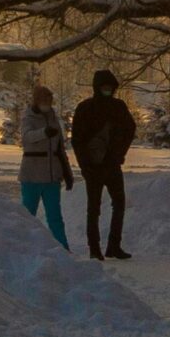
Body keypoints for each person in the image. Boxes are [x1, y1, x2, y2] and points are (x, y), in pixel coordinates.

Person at [70, 68, 138, 260]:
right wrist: (87, 164)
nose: (108, 90)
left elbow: (130, 129)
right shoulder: (105, 107)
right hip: (98, 166)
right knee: (96, 208)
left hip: (106, 165)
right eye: (105, 87)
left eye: (110, 87)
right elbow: (77, 140)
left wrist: (118, 154)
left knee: (114, 205)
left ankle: (109, 246)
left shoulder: (94, 107)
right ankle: (97, 248)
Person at [15, 84, 73, 249]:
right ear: (36, 100)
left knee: (55, 216)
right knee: (27, 215)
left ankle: (62, 248)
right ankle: (23, 246)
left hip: (52, 176)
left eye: (49, 99)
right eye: (43, 99)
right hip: (31, 175)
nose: (47, 102)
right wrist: (43, 133)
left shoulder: (53, 118)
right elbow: (26, 138)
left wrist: (67, 173)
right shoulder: (28, 118)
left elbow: (60, 149)